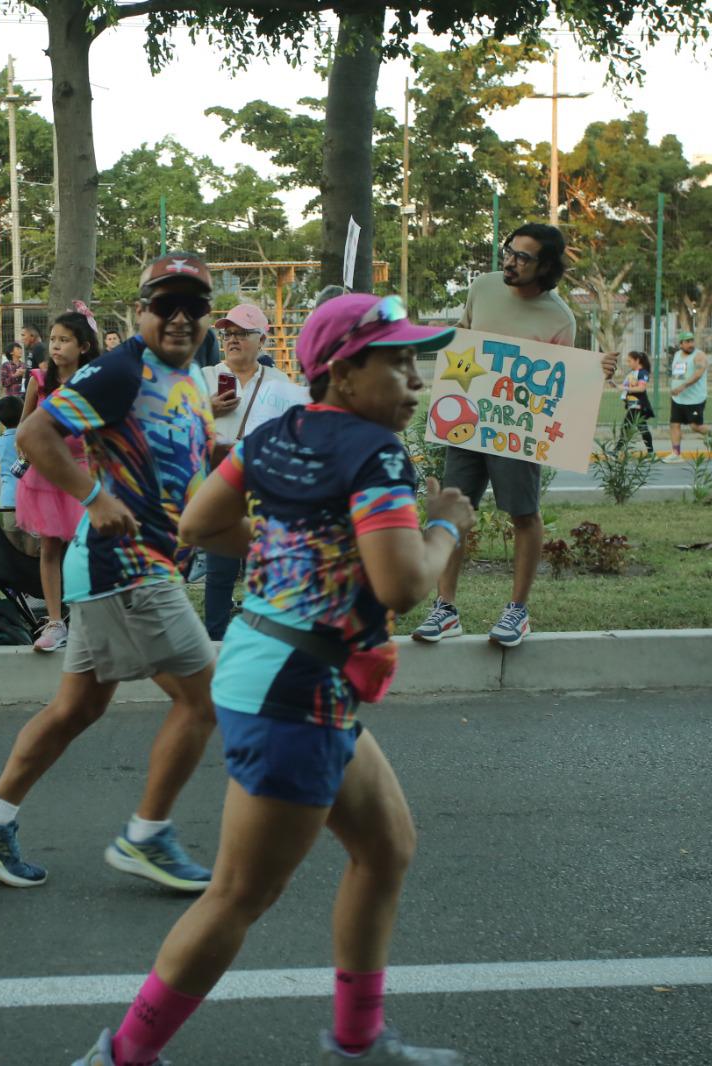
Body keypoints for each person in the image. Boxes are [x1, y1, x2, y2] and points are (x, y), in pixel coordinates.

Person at [70, 292, 474, 1066]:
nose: (417, 381)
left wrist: (284, 545)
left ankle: (359, 1041)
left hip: (273, 665)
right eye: (399, 362)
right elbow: (400, 587)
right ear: (345, 372)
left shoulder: (275, 432)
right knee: (237, 897)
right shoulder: (376, 453)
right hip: (298, 689)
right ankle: (121, 1057)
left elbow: (197, 523)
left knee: (386, 849)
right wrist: (446, 523)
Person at [0, 252, 218, 892]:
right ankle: (147, 836)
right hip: (128, 568)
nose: (180, 319)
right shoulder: (122, 369)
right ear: (142, 310)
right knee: (203, 701)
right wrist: (94, 499)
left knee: (76, 708)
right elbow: (38, 433)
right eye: (164, 304)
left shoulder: (188, 376)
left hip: (128, 572)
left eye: (195, 307)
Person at [410, 223, 617, 649]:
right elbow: (461, 340)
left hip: (517, 431)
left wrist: (593, 373)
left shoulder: (558, 316)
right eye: (509, 251)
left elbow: (559, 383)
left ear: (546, 267)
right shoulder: (483, 288)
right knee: (451, 513)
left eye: (524, 257)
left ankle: (517, 611)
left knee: (523, 514)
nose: (511, 261)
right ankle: (445, 608)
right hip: (467, 419)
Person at [199, 303, 309, 640]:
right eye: (227, 334)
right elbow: (177, 426)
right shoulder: (205, 378)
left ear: (262, 339)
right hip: (220, 486)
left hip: (266, 487)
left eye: (241, 333)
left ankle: (266, 636)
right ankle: (215, 639)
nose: (232, 340)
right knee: (219, 570)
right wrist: (208, 409)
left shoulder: (279, 382)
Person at [15, 307, 101, 654]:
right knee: (50, 547)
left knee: (87, 550)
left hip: (83, 476)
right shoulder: (39, 379)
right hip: (46, 478)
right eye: (53, 339)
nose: (56, 346)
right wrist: (32, 454)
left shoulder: (94, 382)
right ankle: (54, 622)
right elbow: (22, 432)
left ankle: (86, 619)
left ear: (83, 346)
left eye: (65, 340)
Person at [664, 331, 708, 462]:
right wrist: (673, 389)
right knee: (674, 424)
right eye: (687, 342)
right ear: (681, 344)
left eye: (692, 341)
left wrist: (683, 386)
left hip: (694, 399)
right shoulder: (677, 355)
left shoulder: (699, 356)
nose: (690, 344)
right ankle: (676, 453)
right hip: (678, 399)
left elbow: (699, 373)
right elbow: (678, 375)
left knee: (695, 427)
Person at [620, 350, 655, 454]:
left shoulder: (643, 373)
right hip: (632, 405)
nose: (628, 363)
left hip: (639, 405)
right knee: (643, 429)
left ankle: (616, 450)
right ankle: (650, 451)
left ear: (637, 360)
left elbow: (641, 389)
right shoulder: (631, 373)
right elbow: (627, 386)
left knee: (626, 427)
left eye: (629, 361)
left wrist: (625, 388)